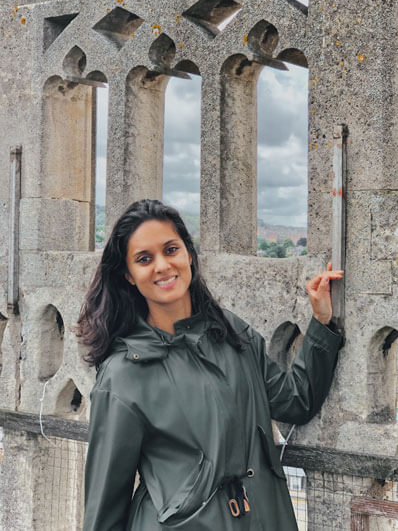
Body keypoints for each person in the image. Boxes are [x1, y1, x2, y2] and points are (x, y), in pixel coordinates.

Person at [76, 199, 344, 530]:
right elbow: (104, 509)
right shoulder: (123, 375)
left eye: (171, 250)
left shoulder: (233, 333)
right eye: (144, 259)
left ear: (188, 254)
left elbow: (296, 400)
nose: (162, 265)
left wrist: (320, 323)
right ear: (129, 276)